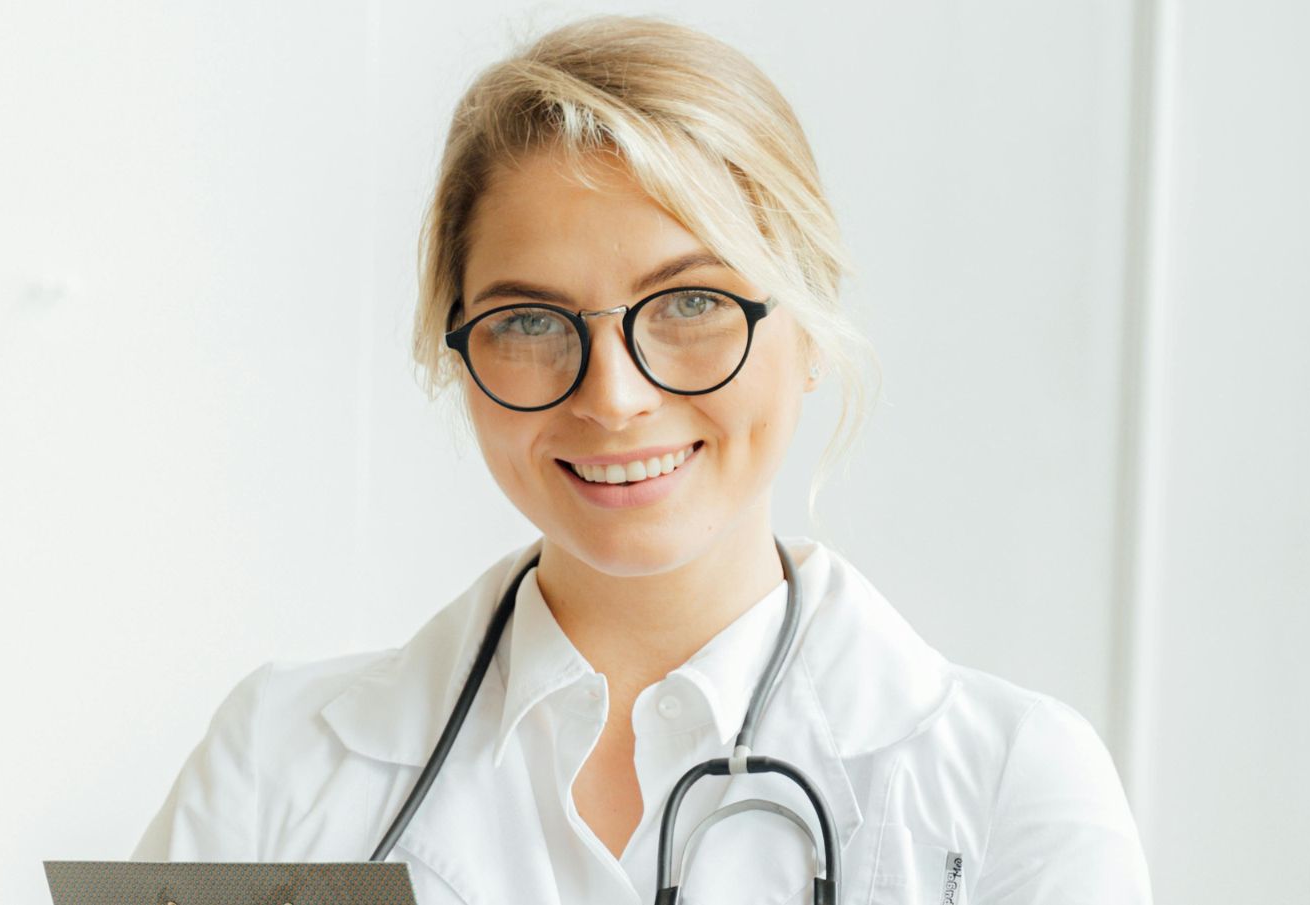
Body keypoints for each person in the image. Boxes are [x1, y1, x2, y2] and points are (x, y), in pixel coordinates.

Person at [131, 14, 1153, 904]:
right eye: (529, 320)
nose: (613, 397)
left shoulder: (1009, 784)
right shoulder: (276, 761)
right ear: (454, 351)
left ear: (805, 326)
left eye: (692, 302)